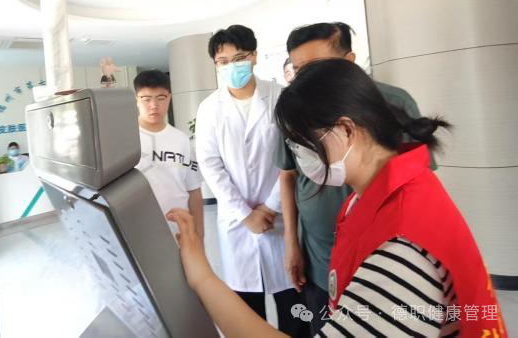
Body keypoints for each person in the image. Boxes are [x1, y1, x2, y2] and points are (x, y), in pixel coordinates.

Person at [168, 59, 506, 337]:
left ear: (345, 130)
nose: (297, 154)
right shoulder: (376, 196)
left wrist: (203, 279)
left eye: (300, 142)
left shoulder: (400, 248)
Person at [277, 22, 435, 335]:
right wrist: (292, 245)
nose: (306, 81)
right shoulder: (297, 110)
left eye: (316, 68)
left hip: (374, 262)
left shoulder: (400, 251)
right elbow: (288, 175)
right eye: (298, 71)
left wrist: (203, 279)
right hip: (321, 260)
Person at [195, 25, 306, 337]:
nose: (232, 67)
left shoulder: (282, 98)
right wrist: (245, 214)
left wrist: (270, 207)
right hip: (237, 224)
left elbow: (294, 157)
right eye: (223, 61)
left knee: (295, 310)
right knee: (246, 314)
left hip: (281, 218)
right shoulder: (209, 109)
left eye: (239, 58)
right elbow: (210, 165)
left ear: (254, 56)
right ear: (215, 64)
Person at [133, 70, 204, 237]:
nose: (153, 105)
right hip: (139, 229)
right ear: (136, 100)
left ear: (169, 98)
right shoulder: (126, 138)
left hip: (180, 228)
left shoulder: (181, 140)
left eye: (160, 98)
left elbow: (194, 190)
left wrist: (199, 236)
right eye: (146, 99)